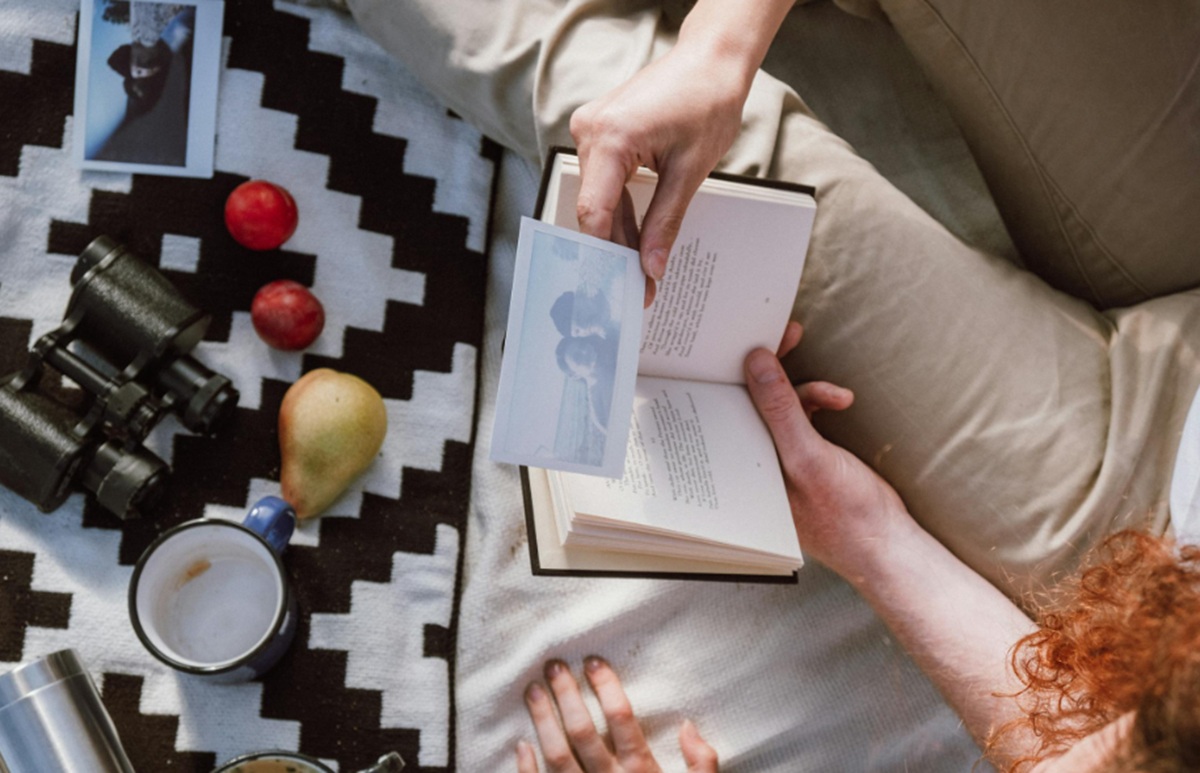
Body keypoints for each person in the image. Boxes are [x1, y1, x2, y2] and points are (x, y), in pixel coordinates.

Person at [335, 0, 1200, 767]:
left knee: (683, 181)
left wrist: (874, 540)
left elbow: (1083, 756)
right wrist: (721, 46)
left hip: (1137, 531)